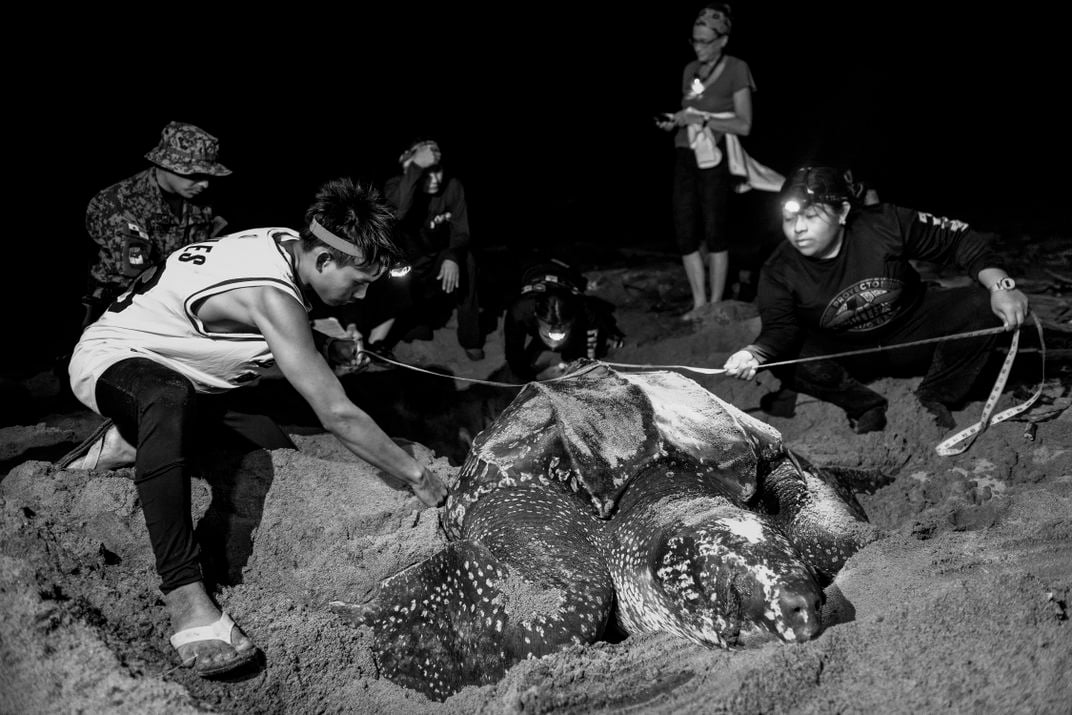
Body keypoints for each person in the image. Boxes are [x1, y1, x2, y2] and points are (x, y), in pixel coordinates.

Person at [59, 178, 449, 678]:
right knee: (167, 399)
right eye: (360, 280)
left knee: (275, 448)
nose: (363, 292)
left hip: (186, 373)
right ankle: (184, 591)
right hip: (116, 361)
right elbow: (338, 413)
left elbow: (256, 327)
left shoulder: (289, 241)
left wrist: (323, 347)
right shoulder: (273, 294)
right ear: (325, 260)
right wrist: (418, 478)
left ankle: (126, 441)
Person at [722, 166, 1030, 433]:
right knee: (781, 356)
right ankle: (864, 404)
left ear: (842, 212)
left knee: (980, 305)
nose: (798, 228)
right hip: (848, 354)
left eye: (811, 215)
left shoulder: (884, 223)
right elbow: (780, 330)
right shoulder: (779, 269)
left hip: (913, 329)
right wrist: (754, 354)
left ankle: (935, 395)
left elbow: (959, 240)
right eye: (790, 220)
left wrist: (1001, 286)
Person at [655, 3, 756, 320]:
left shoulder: (737, 68)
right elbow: (691, 109)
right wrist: (676, 120)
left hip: (716, 155)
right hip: (686, 153)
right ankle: (699, 303)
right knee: (684, 228)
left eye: (705, 41)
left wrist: (703, 117)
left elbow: (744, 124)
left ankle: (715, 302)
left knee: (715, 228)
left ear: (723, 40)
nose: (698, 47)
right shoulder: (690, 70)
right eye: (694, 40)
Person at [81, 121, 232, 329]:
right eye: (195, 175)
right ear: (166, 164)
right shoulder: (118, 202)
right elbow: (136, 276)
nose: (204, 184)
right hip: (120, 309)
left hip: (184, 304)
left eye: (207, 176)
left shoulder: (204, 201)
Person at [363, 138, 485, 361]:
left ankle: (470, 339)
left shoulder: (453, 186)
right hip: (406, 264)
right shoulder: (396, 185)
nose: (436, 179)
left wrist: (452, 255)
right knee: (415, 324)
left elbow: (462, 230)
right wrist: (416, 168)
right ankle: (376, 341)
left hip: (439, 260)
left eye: (438, 171)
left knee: (467, 261)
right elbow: (397, 212)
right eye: (428, 173)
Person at [503, 259, 625, 381]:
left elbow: (593, 336)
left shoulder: (583, 307)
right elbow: (513, 352)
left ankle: (566, 346)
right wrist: (535, 377)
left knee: (583, 347)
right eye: (548, 335)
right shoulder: (520, 310)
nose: (554, 341)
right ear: (535, 316)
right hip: (532, 268)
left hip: (567, 272)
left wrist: (585, 368)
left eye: (562, 333)